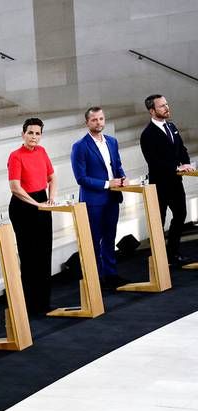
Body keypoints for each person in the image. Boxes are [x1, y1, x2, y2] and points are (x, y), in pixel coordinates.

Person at [70, 107, 128, 288]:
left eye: (101, 119)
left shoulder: (112, 141)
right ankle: (95, 279)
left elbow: (117, 165)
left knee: (110, 237)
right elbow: (81, 178)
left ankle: (111, 275)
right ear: (87, 122)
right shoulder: (79, 146)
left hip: (112, 197)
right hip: (93, 200)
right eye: (94, 120)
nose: (99, 123)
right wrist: (107, 184)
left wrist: (123, 178)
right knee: (93, 240)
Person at [8, 117, 57, 315]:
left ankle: (43, 303)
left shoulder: (42, 152)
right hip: (23, 207)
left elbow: (52, 177)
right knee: (29, 257)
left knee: (45, 254)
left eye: (37, 133)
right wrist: (36, 204)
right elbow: (15, 188)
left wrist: (51, 198)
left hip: (42, 202)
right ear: (23, 134)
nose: (34, 137)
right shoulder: (15, 156)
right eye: (30, 133)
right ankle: (29, 306)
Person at [140, 94, 194, 265]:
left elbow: (181, 148)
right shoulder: (147, 134)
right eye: (162, 106)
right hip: (159, 184)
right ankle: (159, 257)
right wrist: (175, 167)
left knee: (180, 214)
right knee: (159, 220)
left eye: (166, 104)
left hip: (175, 182)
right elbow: (154, 161)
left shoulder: (171, 126)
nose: (166, 108)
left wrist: (186, 163)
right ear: (152, 110)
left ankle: (173, 253)